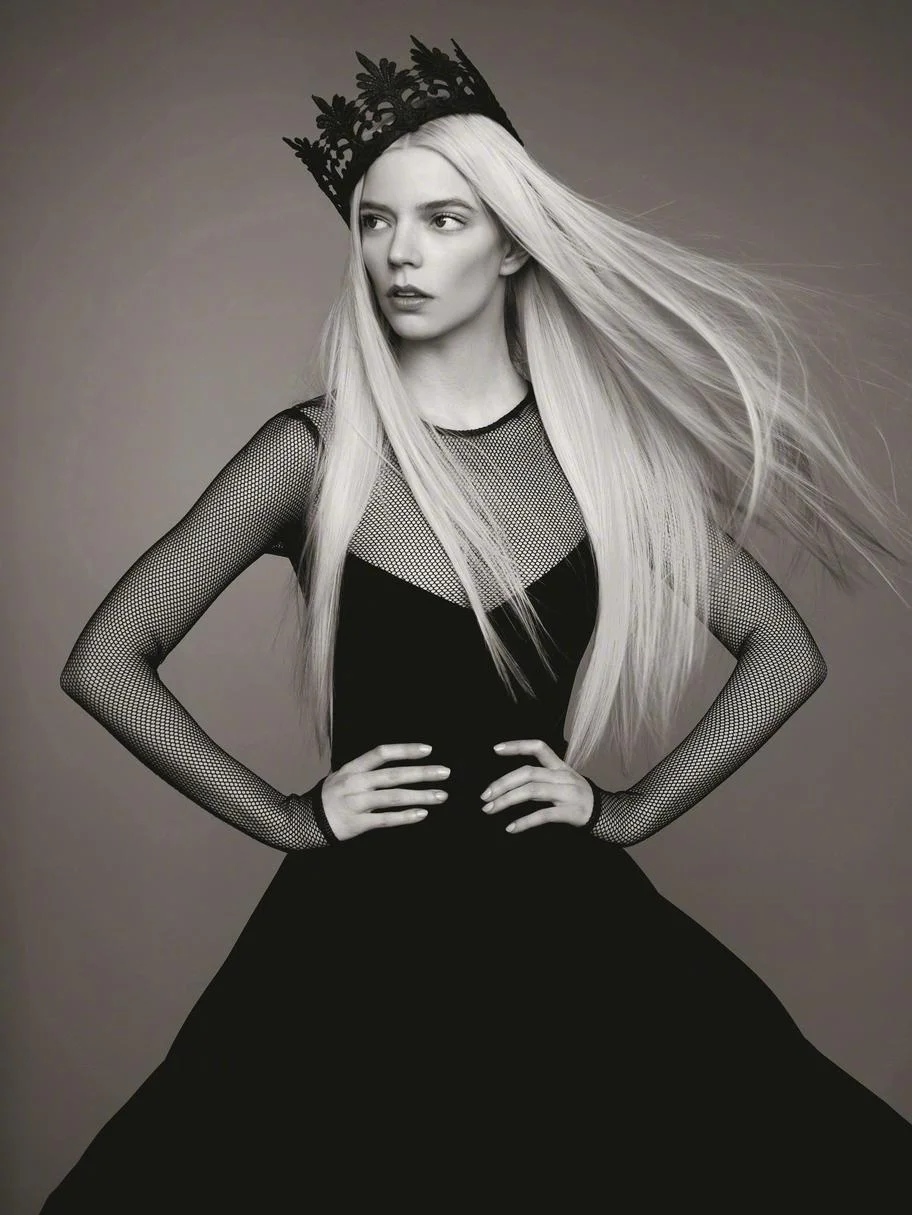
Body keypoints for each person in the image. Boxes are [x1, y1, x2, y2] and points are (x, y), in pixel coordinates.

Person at [42, 35, 911, 1211]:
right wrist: (284, 815)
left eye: (442, 220)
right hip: (349, 955)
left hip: (566, 942)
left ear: (510, 244)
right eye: (375, 222)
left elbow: (783, 652)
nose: (399, 252)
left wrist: (629, 809)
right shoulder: (312, 455)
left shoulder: (604, 460)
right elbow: (106, 658)